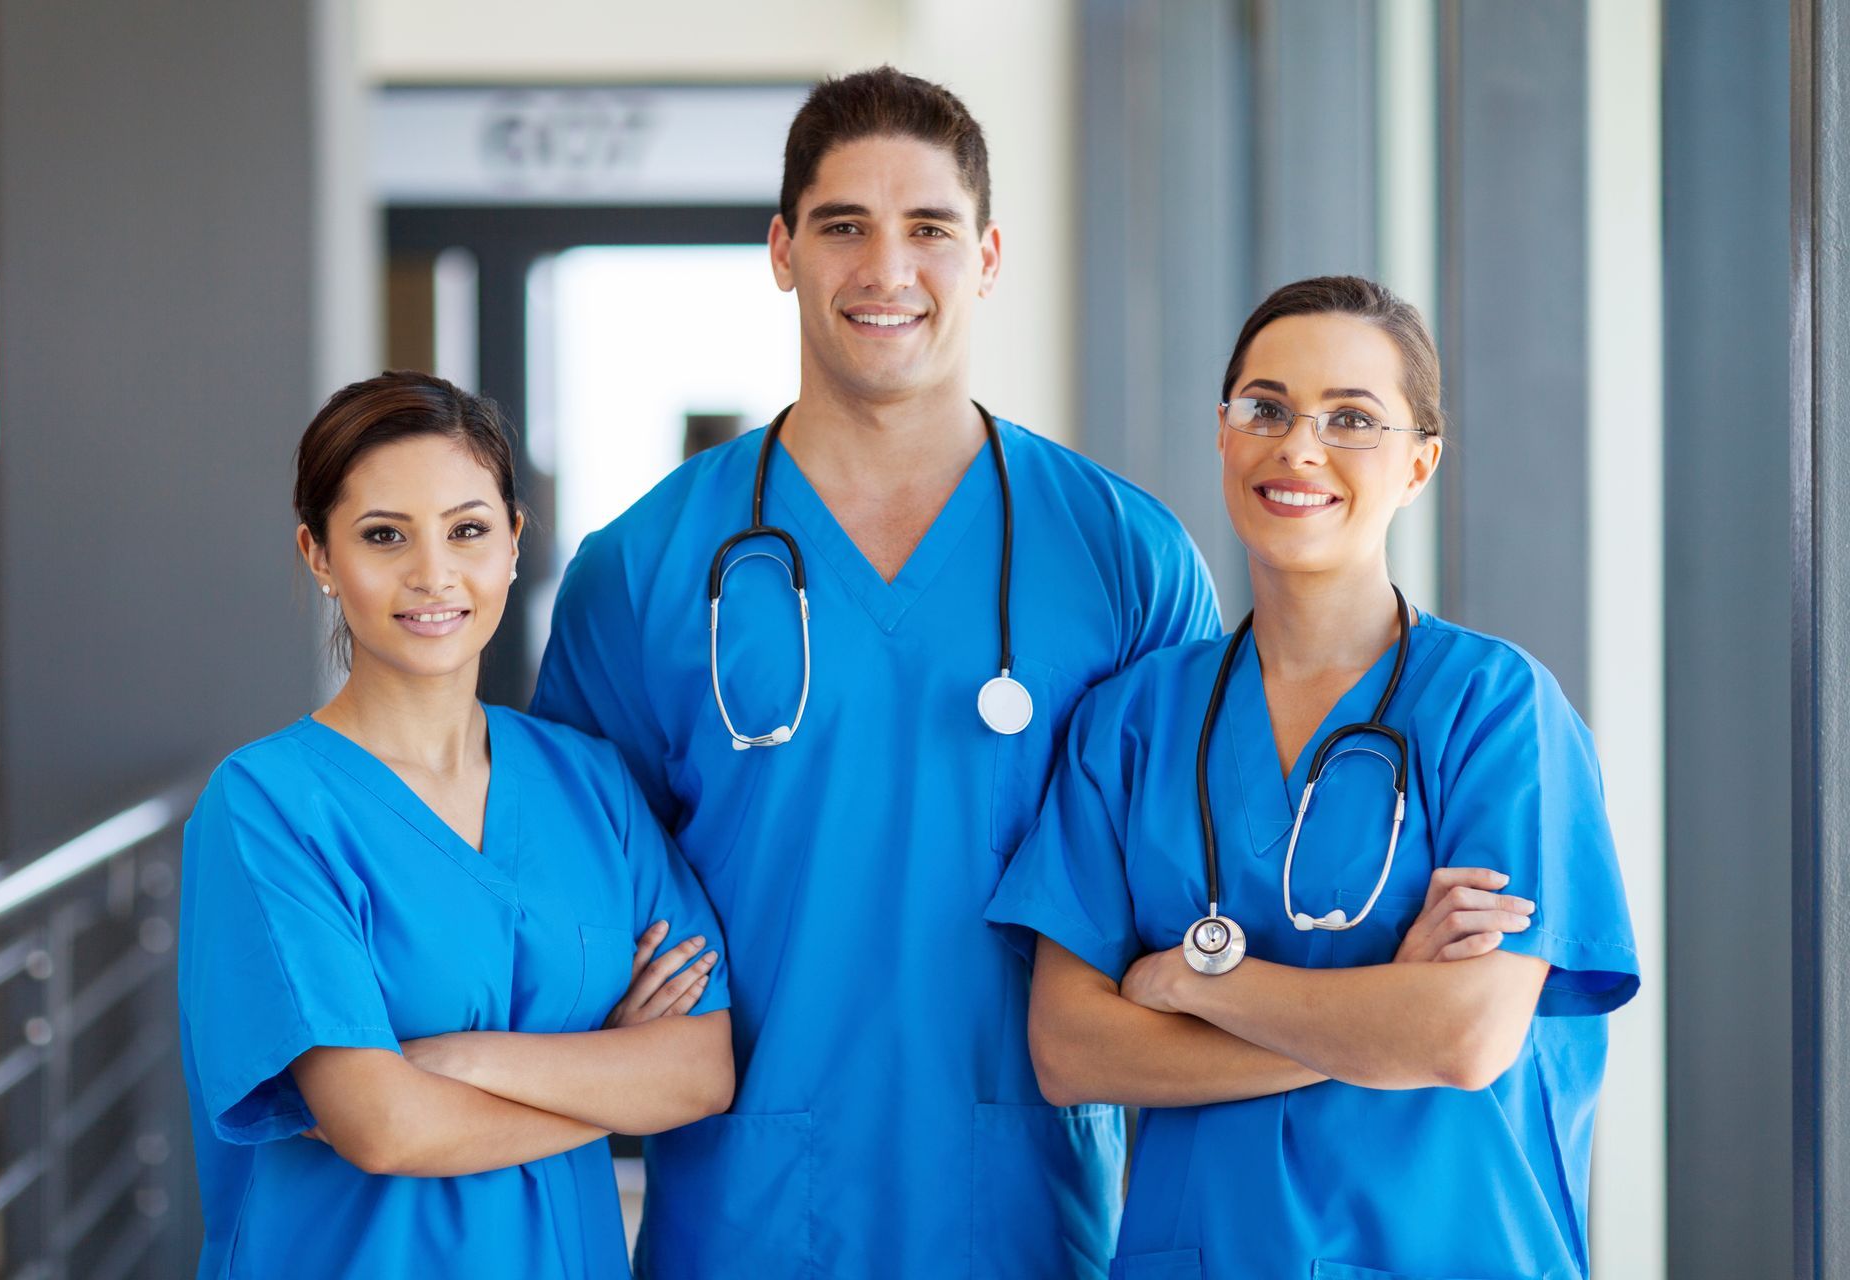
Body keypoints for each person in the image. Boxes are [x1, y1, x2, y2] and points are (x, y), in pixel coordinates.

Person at [530, 66, 1222, 1278]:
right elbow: (568, 892)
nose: (885, 269)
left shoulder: (1125, 558)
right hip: (743, 1208)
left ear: (991, 255)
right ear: (782, 249)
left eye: (929, 230)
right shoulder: (641, 570)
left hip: (1029, 1206)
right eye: (843, 224)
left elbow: (1198, 878)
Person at [987, 276, 1639, 1280]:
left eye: (1352, 419)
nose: (1298, 446)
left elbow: (1466, 1034)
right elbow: (1072, 1049)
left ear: (1419, 464)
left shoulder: (1497, 708)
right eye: (1267, 407)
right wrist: (1382, 1019)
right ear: (1222, 433)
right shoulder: (1135, 721)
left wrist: (1200, 980)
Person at [177, 371, 734, 1279]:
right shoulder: (268, 807)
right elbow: (385, 1127)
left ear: (514, 544)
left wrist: (456, 1059)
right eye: (383, 536)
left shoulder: (590, 783)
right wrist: (613, 1078)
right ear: (319, 556)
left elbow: (701, 1071)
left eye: (468, 530)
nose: (432, 573)